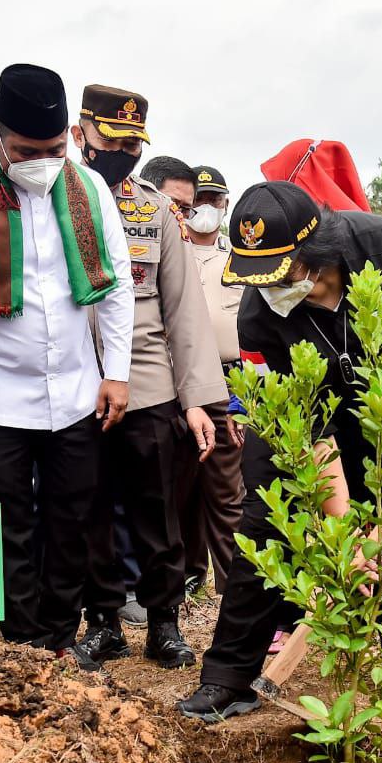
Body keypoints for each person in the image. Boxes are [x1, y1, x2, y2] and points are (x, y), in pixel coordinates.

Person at [178, 182, 382, 721]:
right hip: (301, 424)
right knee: (269, 524)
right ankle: (229, 676)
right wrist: (346, 536)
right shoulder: (259, 316)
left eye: (277, 273)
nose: (265, 290)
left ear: (313, 254)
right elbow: (313, 437)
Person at [0, 64, 134, 657]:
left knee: (73, 522)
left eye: (55, 148)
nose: (43, 161)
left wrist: (116, 371)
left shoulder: (89, 192)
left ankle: (60, 641)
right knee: (7, 527)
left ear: (68, 135)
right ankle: (22, 645)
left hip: (75, 393)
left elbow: (115, 288)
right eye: (25, 151)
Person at [71, 89, 227, 671]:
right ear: (81, 129)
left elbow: (183, 310)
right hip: (76, 386)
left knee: (157, 512)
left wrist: (198, 402)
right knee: (87, 512)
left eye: (134, 141)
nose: (124, 151)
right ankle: (104, 623)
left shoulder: (154, 210)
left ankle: (164, 624)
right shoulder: (55, 198)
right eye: (112, 138)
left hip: (148, 382)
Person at [145, 159, 244, 595]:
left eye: (211, 202)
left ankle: (236, 586)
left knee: (227, 493)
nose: (202, 210)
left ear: (225, 205)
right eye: (193, 203)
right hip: (168, 384)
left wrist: (244, 397)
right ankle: (182, 582)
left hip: (227, 386)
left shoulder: (240, 260)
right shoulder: (164, 251)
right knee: (173, 491)